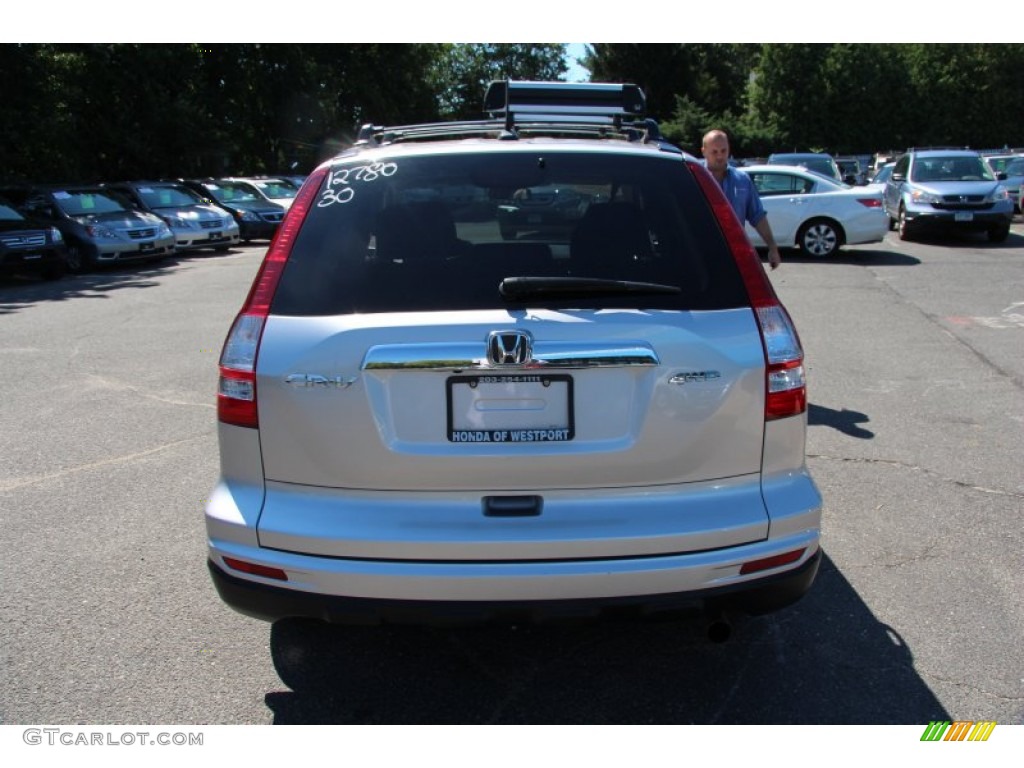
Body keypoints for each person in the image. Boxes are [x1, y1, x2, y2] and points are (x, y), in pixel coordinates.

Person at [701, 129, 781, 270]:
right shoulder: (695, 178)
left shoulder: (742, 180)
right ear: (704, 151)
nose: (720, 156)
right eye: (714, 152)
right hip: (703, 254)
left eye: (723, 151)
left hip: (736, 254)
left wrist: (772, 247)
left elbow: (758, 216)